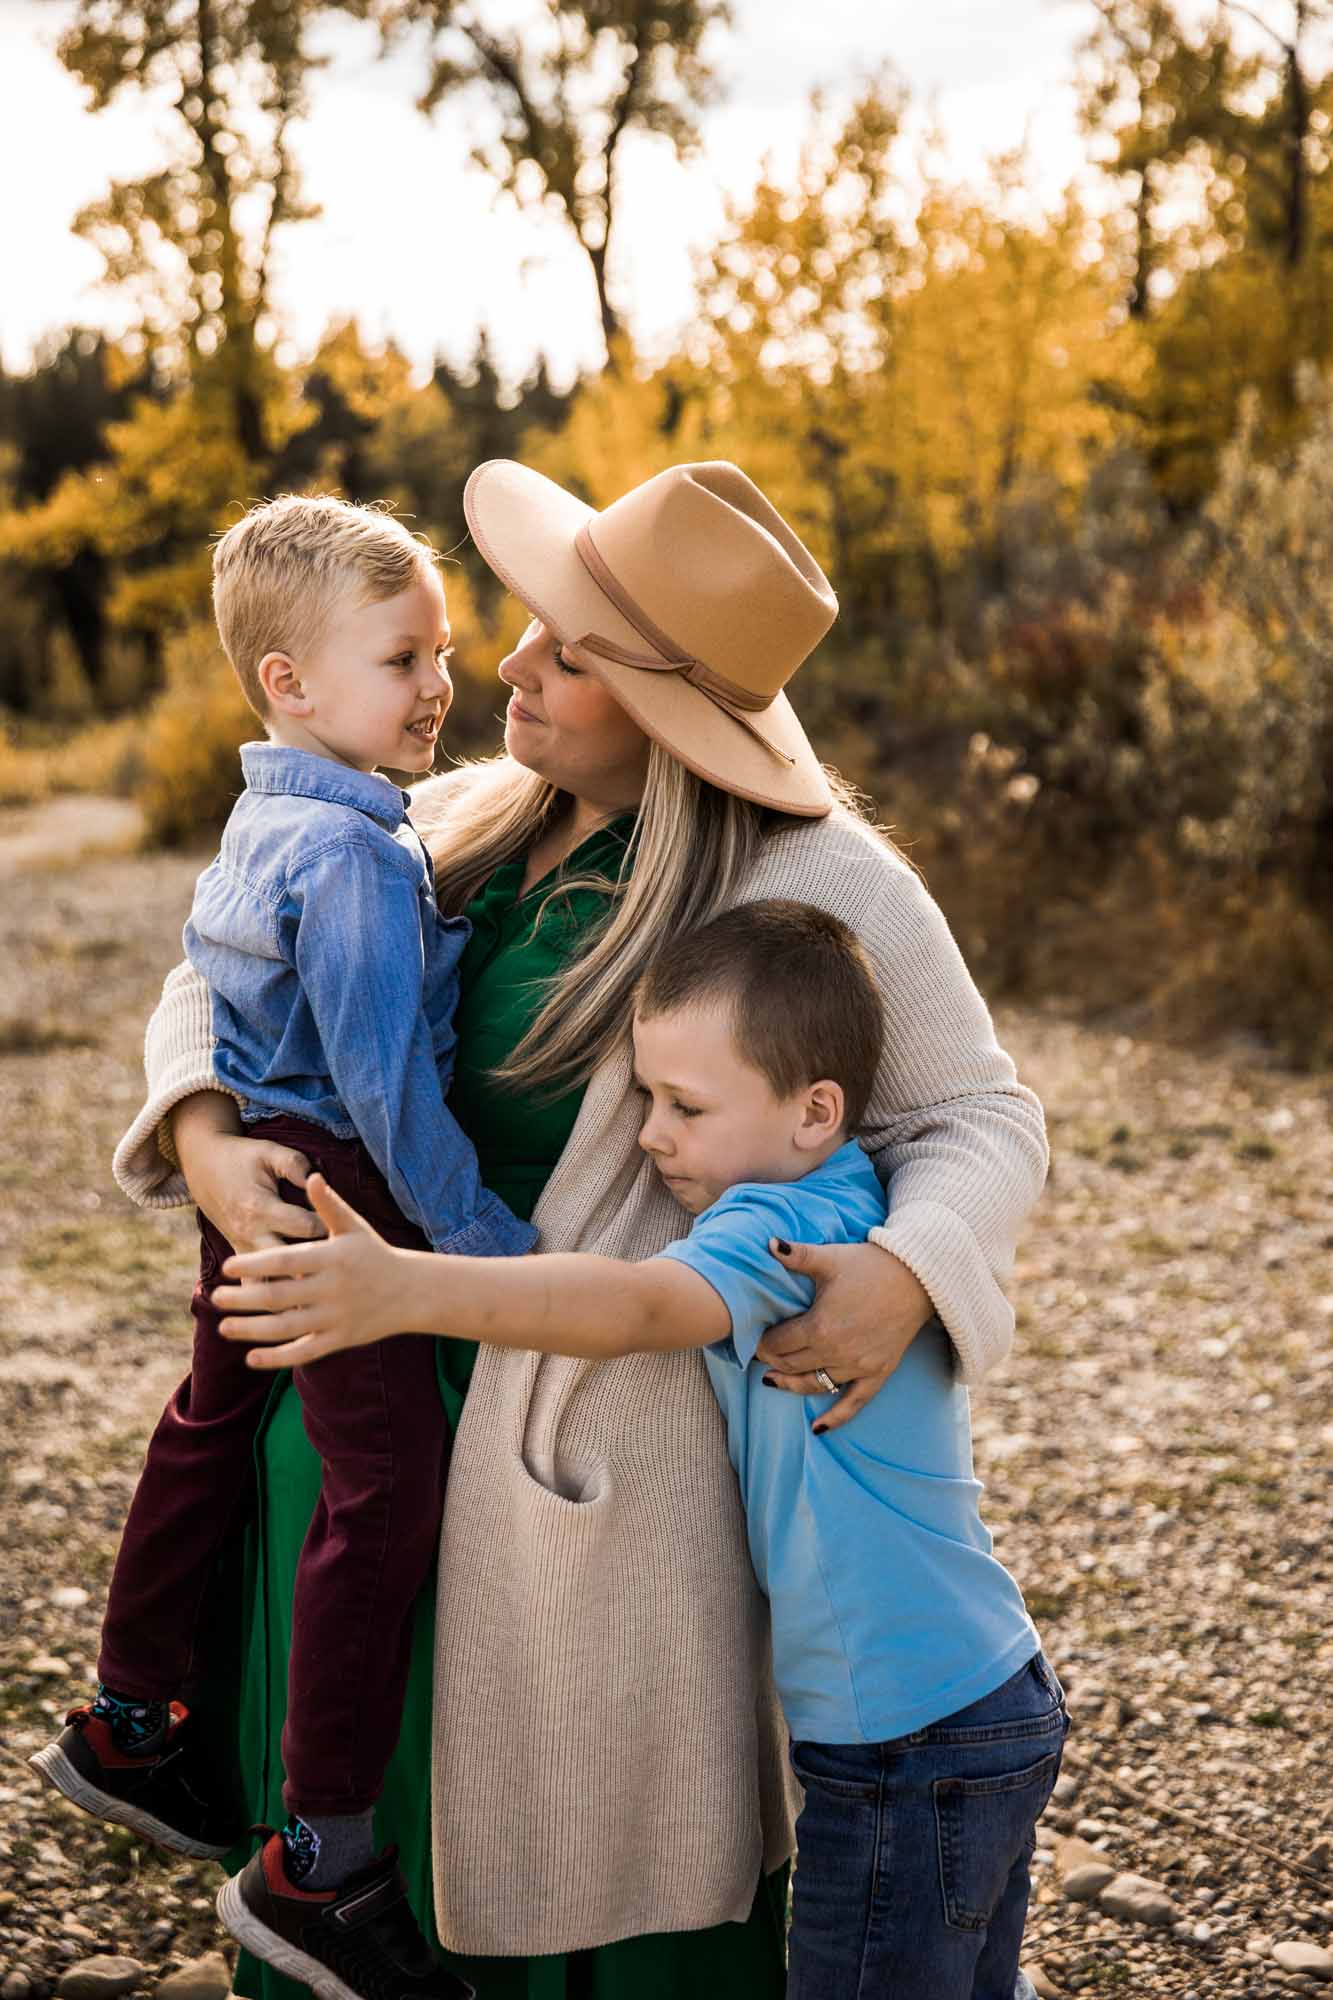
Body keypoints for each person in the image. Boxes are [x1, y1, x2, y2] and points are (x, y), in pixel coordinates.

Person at [109, 457, 1050, 1999]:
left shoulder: (807, 871)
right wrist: (207, 1137)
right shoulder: (457, 811)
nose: (510, 665)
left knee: (563, 1893)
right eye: (532, 626)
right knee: (350, 1846)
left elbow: (981, 1118)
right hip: (345, 1418)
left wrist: (901, 1270)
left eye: (570, 651)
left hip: (569, 1477)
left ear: (673, 712)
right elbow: (219, 966)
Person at [215, 895, 1068, 2000]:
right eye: (644, 1096)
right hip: (970, 1695)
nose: (651, 1131)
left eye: (683, 1104)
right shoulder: (840, 1185)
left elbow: (638, 1307)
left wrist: (406, 1288)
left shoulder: (789, 1230)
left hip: (907, 1739)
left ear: (815, 1109)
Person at [36, 495, 537, 2000]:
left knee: (210, 1412)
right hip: (329, 1187)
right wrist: (487, 1250)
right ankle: (320, 1855)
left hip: (249, 1157)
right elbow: (386, 1092)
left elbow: (212, 973)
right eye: (404, 658)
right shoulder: (360, 862)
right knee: (383, 1492)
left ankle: (130, 1717)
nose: (441, 685)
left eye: (442, 650)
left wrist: (207, 1138)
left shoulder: (268, 816)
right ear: (291, 686)